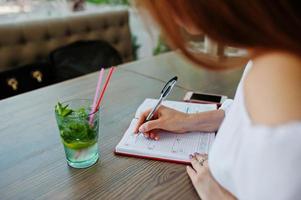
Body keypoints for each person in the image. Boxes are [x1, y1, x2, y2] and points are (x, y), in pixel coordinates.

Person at [134, 1, 301, 199]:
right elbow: (243, 118)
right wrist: (187, 121)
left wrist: (218, 196)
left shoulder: (278, 80)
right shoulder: (271, 53)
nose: (171, 17)